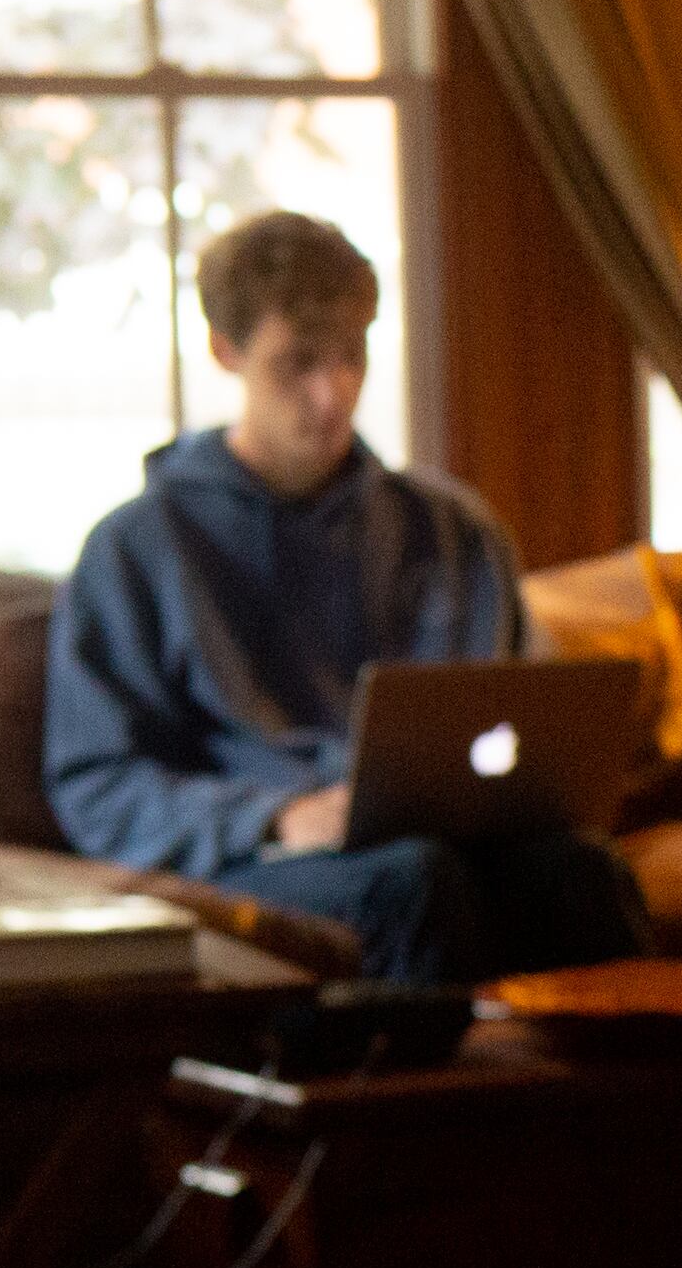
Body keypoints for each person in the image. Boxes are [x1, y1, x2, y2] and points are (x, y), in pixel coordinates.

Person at [42, 212, 647, 989]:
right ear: (226, 352)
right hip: (270, 857)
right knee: (413, 882)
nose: (332, 394)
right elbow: (97, 783)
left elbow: (527, 723)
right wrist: (275, 816)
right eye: (296, 363)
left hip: (447, 839)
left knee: (584, 874)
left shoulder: (454, 530)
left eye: (351, 357)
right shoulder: (137, 546)